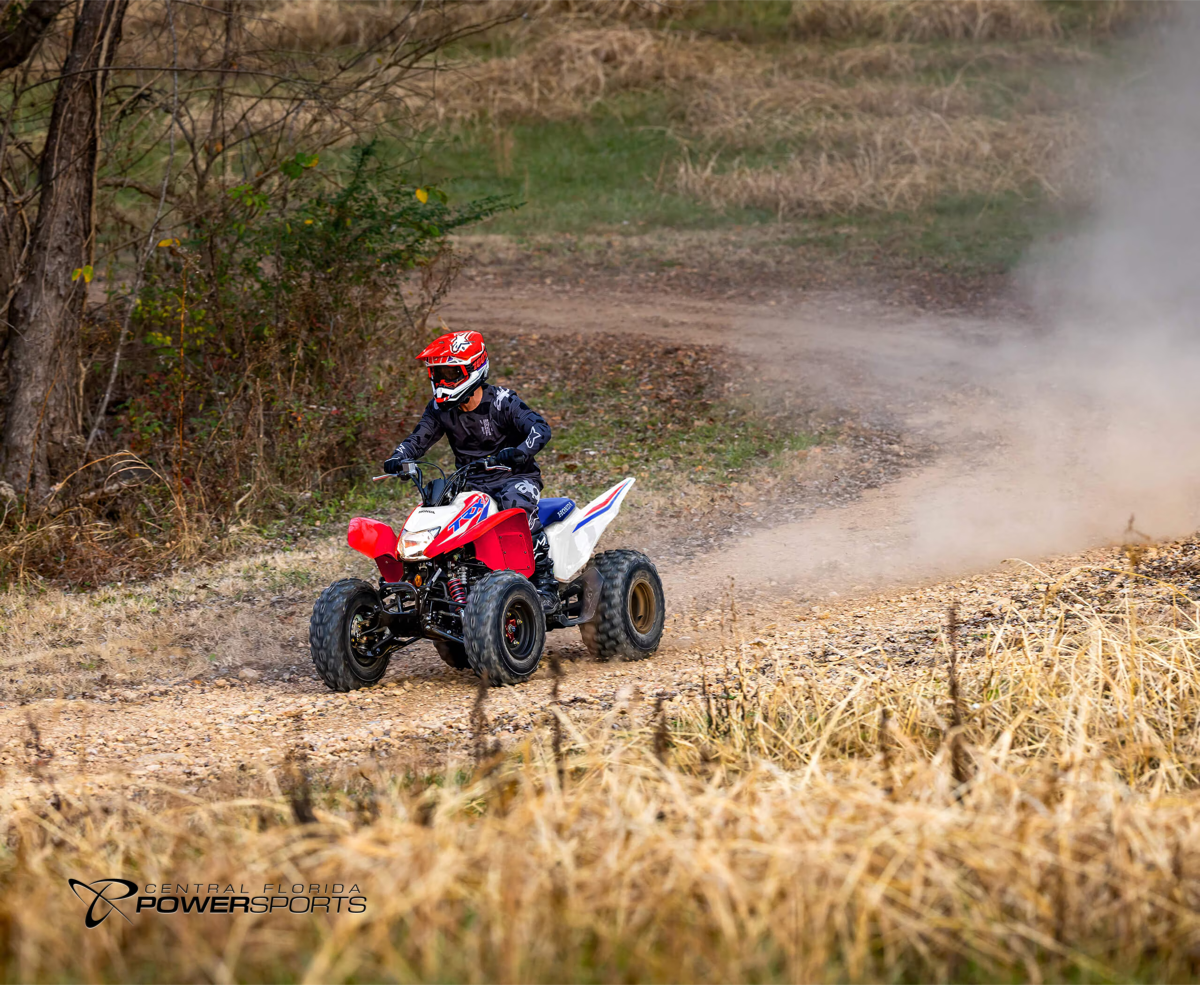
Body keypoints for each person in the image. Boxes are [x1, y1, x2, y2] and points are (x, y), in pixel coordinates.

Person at [383, 329, 556, 594]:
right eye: (438, 374)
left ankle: (545, 585)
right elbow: (418, 439)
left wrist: (521, 451)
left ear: (473, 369)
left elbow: (541, 428)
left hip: (515, 478)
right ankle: (444, 584)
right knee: (436, 512)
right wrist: (398, 457)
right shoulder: (440, 409)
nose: (442, 380)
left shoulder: (502, 401)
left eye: (450, 374)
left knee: (515, 505)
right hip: (471, 482)